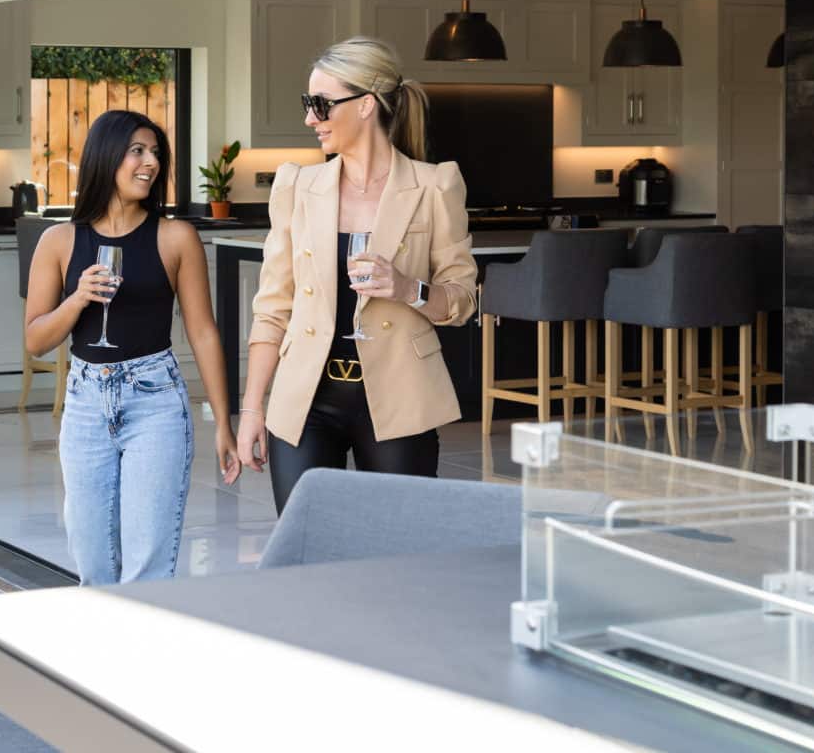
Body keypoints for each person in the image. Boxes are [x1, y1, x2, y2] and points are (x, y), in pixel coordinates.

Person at [236, 36, 478, 514]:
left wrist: (409, 289)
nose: (310, 118)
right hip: (306, 399)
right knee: (307, 548)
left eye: (320, 104)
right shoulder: (297, 186)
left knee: (394, 554)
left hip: (399, 398)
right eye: (308, 105)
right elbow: (273, 307)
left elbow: (463, 300)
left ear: (366, 105)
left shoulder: (434, 185)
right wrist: (252, 409)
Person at [25, 110, 240, 585]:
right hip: (84, 405)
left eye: (156, 153)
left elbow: (204, 332)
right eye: (137, 151)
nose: (151, 164)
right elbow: (37, 340)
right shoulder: (59, 241)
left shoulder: (175, 237)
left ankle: (144, 655)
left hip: (157, 402)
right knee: (94, 565)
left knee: (148, 567)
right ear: (107, 157)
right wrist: (78, 299)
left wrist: (224, 423)